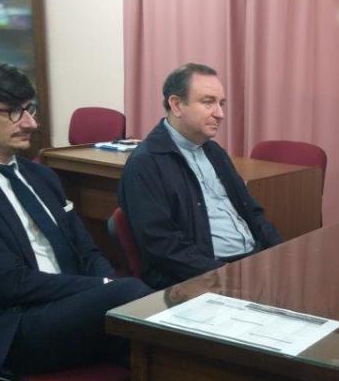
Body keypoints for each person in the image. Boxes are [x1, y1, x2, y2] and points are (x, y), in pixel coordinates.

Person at [0, 59, 151, 380]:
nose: (29, 123)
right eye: (13, 111)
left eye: (30, 109)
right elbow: (9, 283)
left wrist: (102, 287)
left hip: (62, 309)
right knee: (134, 302)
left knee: (156, 346)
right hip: (6, 327)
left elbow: (87, 251)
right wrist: (104, 289)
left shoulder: (41, 175)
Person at [118, 63, 282, 289]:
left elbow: (253, 214)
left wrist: (282, 254)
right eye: (208, 102)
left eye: (221, 103)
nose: (220, 114)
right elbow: (163, 247)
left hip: (249, 266)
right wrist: (228, 276)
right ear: (176, 105)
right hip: (200, 280)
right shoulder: (145, 164)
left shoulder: (214, 152)